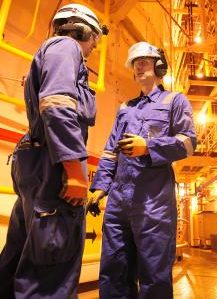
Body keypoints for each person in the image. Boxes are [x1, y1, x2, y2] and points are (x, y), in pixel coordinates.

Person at [0, 4, 107, 298]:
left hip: (36, 163)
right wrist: (75, 171)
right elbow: (57, 105)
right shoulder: (67, 48)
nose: (93, 49)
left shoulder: (51, 51)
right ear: (83, 30)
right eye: (94, 41)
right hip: (54, 168)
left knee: (17, 258)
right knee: (51, 270)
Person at [86, 41, 197, 298]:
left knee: (153, 274)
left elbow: (188, 143)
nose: (138, 67)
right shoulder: (126, 108)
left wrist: (148, 146)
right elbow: (110, 150)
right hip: (118, 203)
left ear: (159, 66)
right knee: (114, 270)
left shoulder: (174, 101)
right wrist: (101, 186)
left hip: (153, 203)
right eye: (135, 64)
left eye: (144, 61)